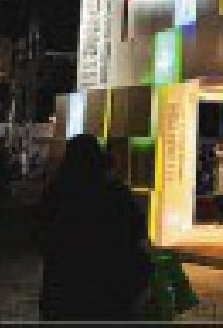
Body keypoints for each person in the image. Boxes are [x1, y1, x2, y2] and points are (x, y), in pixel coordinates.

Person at [34, 134, 151, 320]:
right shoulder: (116, 194)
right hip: (110, 291)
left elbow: (41, 238)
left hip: (63, 291)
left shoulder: (55, 195)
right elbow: (138, 234)